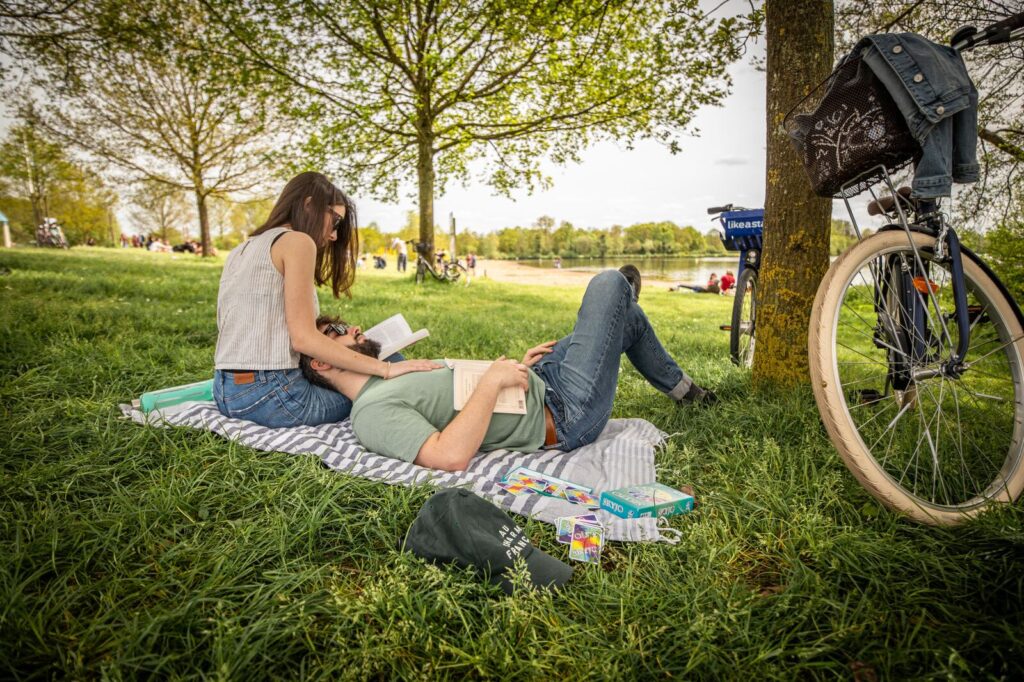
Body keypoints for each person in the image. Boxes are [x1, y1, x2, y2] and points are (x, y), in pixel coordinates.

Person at [299, 266, 717, 471]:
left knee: (622, 317)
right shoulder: (370, 413)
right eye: (336, 330)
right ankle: (624, 298)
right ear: (321, 360)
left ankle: (684, 391)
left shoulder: (396, 371)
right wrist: (494, 383)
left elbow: (458, 389)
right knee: (610, 284)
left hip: (541, 381)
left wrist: (515, 366)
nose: (352, 327)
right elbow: (448, 456)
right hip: (565, 415)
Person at [213, 171, 441, 429]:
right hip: (275, 397)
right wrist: (385, 370)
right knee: (394, 362)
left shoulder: (243, 248)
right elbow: (304, 339)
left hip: (225, 392)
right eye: (335, 222)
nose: (334, 235)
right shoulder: (298, 242)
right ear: (309, 205)